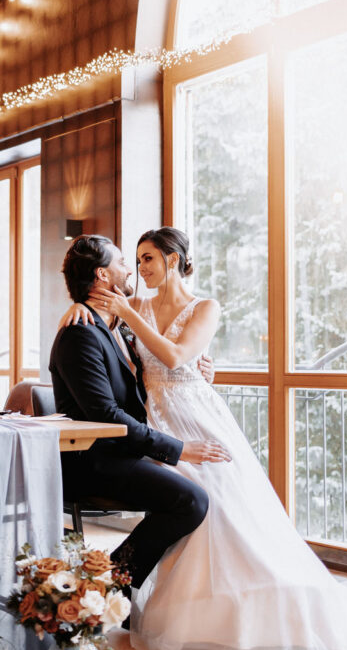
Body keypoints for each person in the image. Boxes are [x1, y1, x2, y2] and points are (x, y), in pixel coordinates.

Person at [61, 226, 347, 650]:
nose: (138, 267)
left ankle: (237, 607)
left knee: (226, 509)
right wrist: (75, 307)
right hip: (160, 423)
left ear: (173, 260)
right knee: (187, 506)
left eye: (147, 258)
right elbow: (107, 343)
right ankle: (130, 595)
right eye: (132, 259)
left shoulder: (199, 307)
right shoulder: (133, 308)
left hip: (197, 415)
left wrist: (192, 362)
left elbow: (174, 355)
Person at [49, 234, 231, 599]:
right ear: (102, 276)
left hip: (125, 450)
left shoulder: (112, 326)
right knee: (191, 501)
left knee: (212, 491)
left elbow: (157, 370)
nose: (130, 268)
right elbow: (106, 416)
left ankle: (160, 597)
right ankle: (106, 585)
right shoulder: (81, 333)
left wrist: (199, 371)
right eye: (122, 262)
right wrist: (179, 449)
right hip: (95, 461)